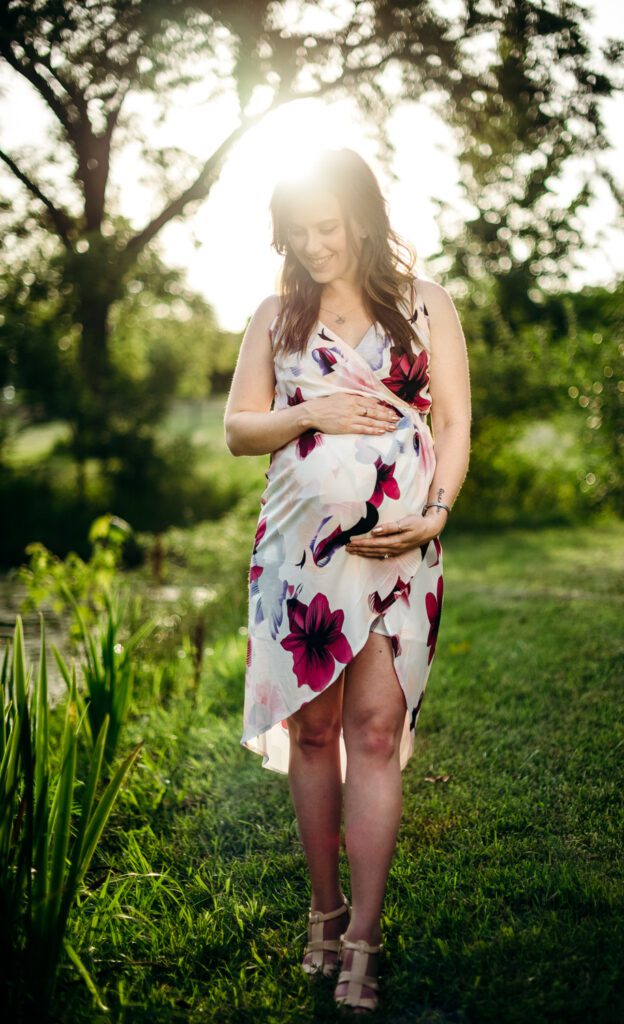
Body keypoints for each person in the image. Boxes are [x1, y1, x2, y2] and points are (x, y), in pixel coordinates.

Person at [224, 147, 471, 1013]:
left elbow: (456, 420)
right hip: (297, 557)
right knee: (316, 735)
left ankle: (362, 937)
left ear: (362, 218)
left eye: (326, 225)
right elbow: (238, 429)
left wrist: (435, 511)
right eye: (298, 230)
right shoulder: (274, 316)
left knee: (373, 733)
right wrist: (311, 411)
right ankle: (320, 911)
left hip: (402, 553)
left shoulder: (425, 304)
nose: (313, 243)